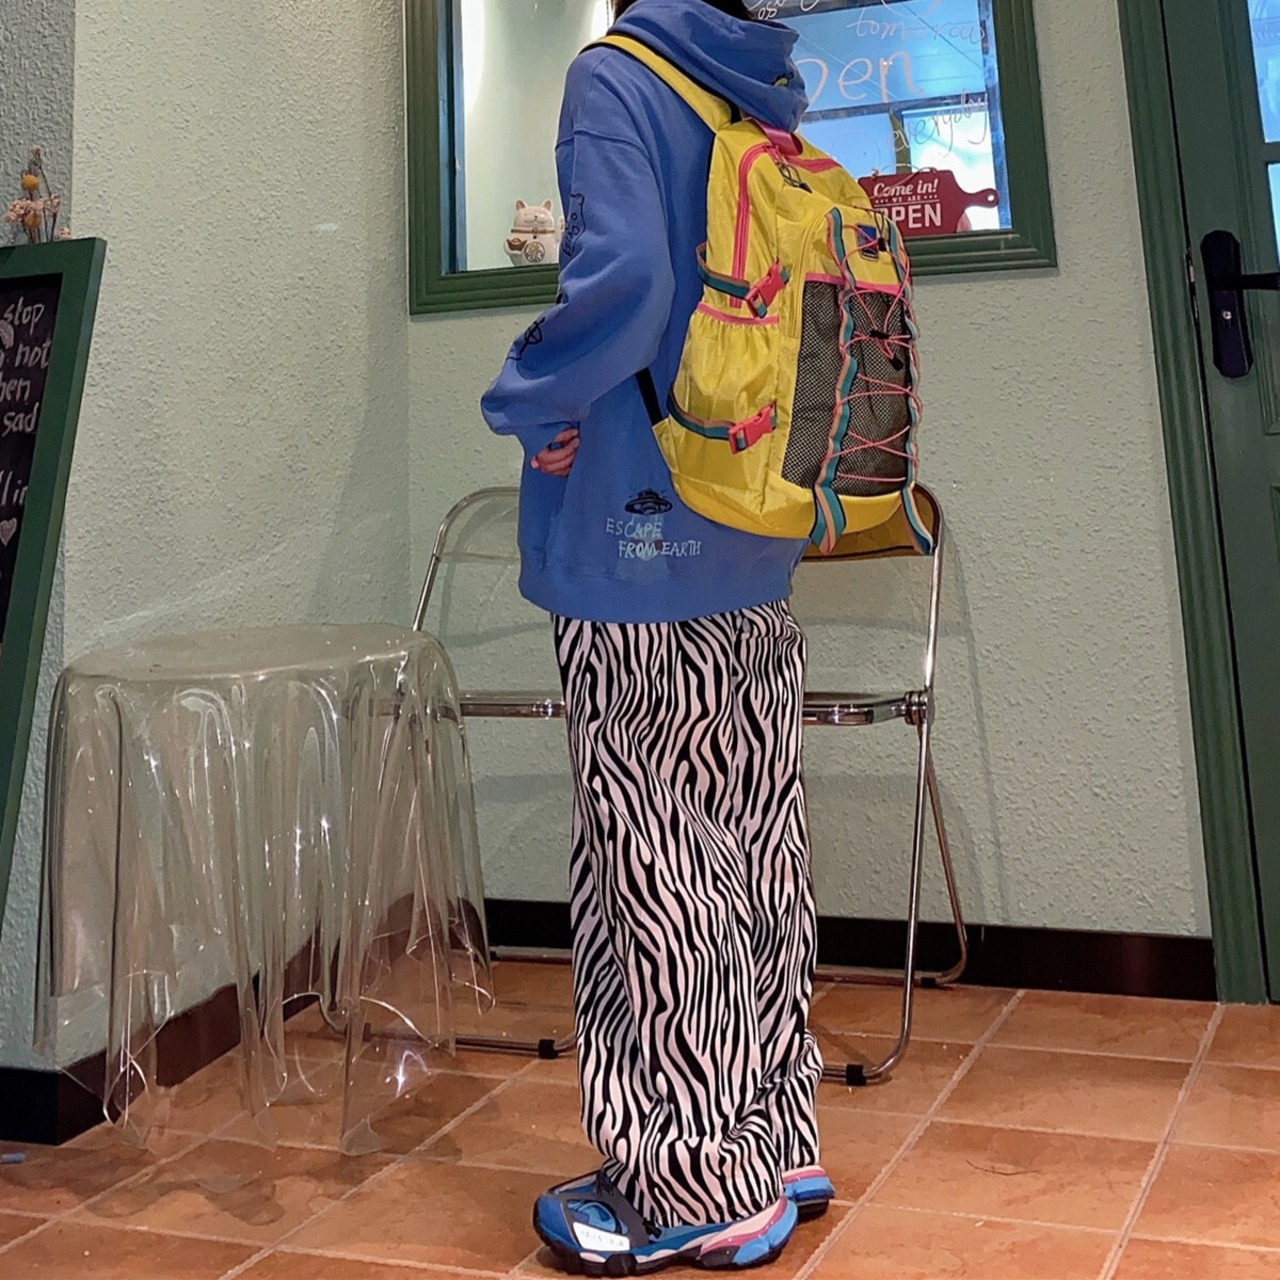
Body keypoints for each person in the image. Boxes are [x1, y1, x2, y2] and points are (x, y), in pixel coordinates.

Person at [481, 0, 830, 1271]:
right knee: (750, 835)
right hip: (748, 523)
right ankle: (770, 1136)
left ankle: (688, 1176)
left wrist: (525, 395)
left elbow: (623, 279)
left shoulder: (617, 80)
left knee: (651, 851)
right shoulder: (753, 87)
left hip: (636, 530)